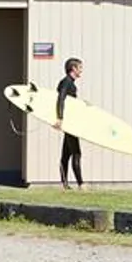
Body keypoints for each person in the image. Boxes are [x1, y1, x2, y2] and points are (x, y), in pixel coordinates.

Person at [53, 57, 84, 190]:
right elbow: (61, 99)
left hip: (70, 123)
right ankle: (81, 184)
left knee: (66, 155)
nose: (81, 70)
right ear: (73, 69)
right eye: (80, 67)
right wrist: (59, 118)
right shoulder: (67, 82)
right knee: (76, 153)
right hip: (69, 124)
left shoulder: (69, 83)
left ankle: (64, 184)